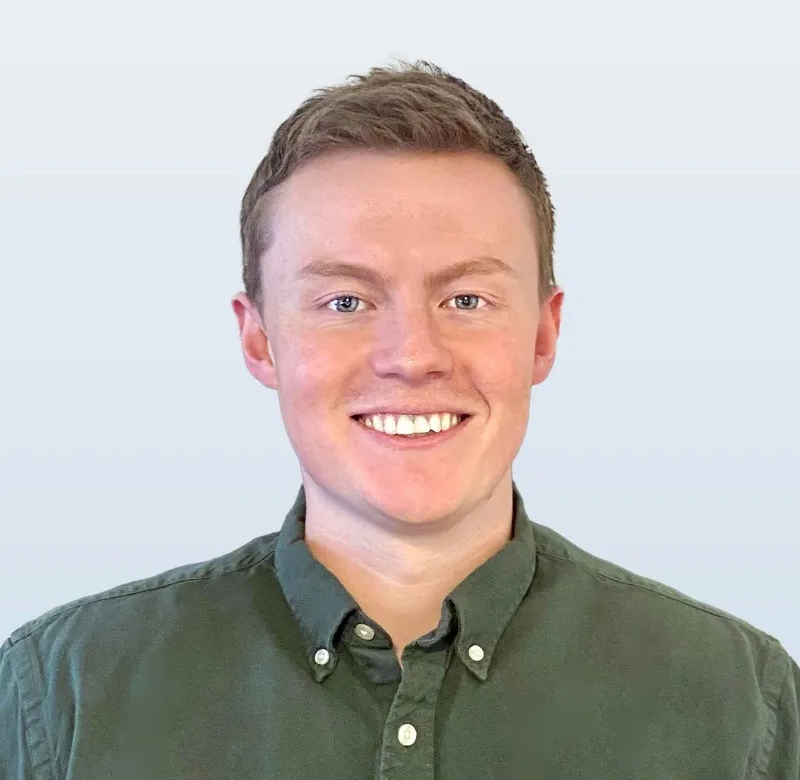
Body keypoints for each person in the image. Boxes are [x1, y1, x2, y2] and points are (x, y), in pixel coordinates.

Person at [1, 59, 797, 779]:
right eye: (345, 301)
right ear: (259, 339)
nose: (412, 355)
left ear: (543, 336)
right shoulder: (59, 691)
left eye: (466, 300)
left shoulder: (739, 701)